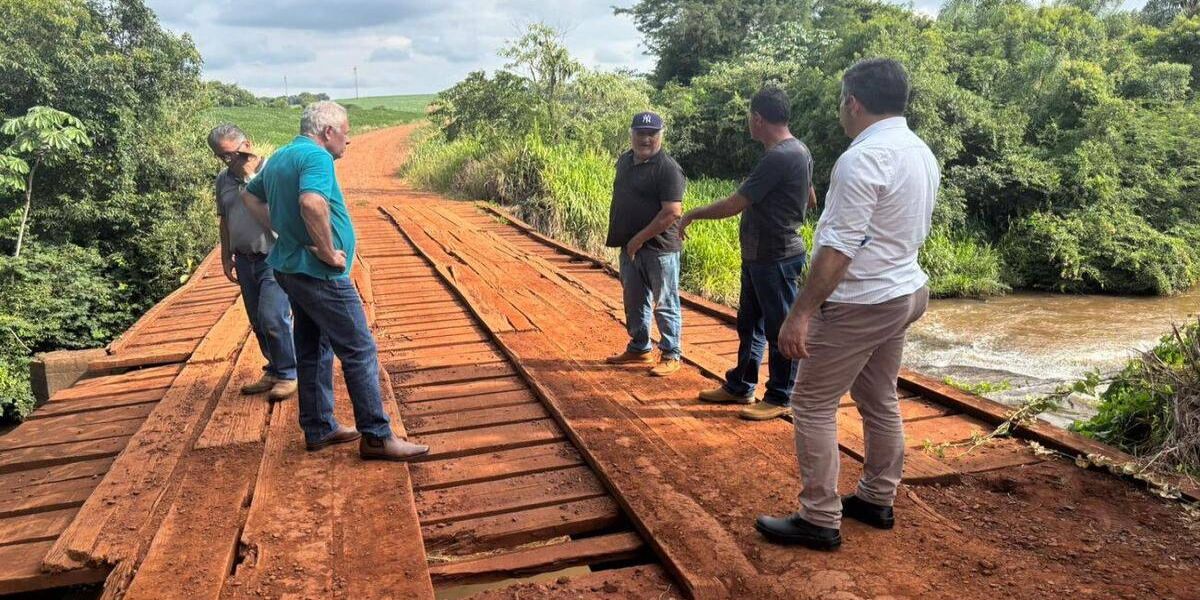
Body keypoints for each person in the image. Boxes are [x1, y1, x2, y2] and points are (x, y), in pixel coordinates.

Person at [755, 58, 938, 550]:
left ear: (853, 103)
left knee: (811, 403)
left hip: (863, 300)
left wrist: (801, 314)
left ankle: (818, 517)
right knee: (879, 399)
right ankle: (877, 497)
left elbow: (838, 249)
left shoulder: (863, 158)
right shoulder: (920, 150)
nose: (841, 110)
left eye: (842, 102)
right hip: (905, 291)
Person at [241, 101, 428, 461]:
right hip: (319, 272)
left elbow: (249, 195)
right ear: (328, 132)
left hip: (289, 268)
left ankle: (318, 426)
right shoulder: (316, 158)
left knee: (313, 345)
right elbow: (312, 204)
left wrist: (282, 231)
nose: (348, 140)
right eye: (346, 132)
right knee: (359, 349)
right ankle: (376, 436)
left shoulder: (281, 155)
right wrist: (327, 251)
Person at [680, 87, 818, 421]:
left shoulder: (780, 156)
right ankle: (741, 385)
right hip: (761, 256)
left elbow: (733, 204)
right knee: (750, 325)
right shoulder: (797, 151)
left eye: (749, 117)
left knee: (778, 328)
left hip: (777, 257)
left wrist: (691, 214)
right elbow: (811, 199)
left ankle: (781, 395)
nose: (748, 122)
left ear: (757, 118)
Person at [208, 125, 298, 401]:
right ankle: (274, 368)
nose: (227, 162)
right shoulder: (223, 180)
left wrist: (249, 178)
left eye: (231, 155)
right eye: (220, 156)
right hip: (245, 259)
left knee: (273, 316)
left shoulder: (272, 172)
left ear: (247, 145)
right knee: (257, 320)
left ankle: (288, 373)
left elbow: (279, 215)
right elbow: (225, 219)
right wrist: (226, 256)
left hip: (274, 256)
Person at [604, 111, 687, 377]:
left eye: (652, 134)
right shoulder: (625, 161)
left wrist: (639, 239)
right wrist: (628, 242)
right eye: (641, 133)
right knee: (634, 299)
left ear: (660, 136)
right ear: (632, 134)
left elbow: (672, 212)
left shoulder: (668, 168)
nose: (646, 138)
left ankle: (671, 353)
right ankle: (639, 348)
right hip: (630, 248)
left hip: (659, 249)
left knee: (664, 301)